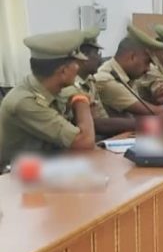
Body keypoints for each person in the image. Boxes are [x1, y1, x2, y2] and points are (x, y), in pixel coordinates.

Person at [0, 30, 96, 169]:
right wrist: (81, 100)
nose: (78, 68)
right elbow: (85, 141)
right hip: (17, 175)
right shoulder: (24, 102)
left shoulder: (51, 87)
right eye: (76, 63)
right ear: (63, 71)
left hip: (50, 163)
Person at [94, 25, 163, 118]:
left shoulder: (127, 76)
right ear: (132, 57)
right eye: (147, 62)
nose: (148, 68)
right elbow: (152, 111)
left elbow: (141, 110)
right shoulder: (107, 79)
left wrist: (155, 100)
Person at [58, 28, 136, 138]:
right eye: (97, 53)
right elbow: (95, 124)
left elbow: (102, 117)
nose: (100, 58)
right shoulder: (69, 87)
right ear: (84, 57)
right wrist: (137, 124)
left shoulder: (89, 80)